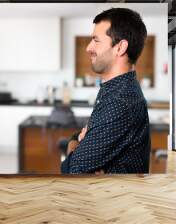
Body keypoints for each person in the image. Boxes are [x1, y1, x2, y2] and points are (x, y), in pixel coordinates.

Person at [61, 8, 151, 174]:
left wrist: (74, 143)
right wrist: (79, 141)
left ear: (120, 47)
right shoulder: (113, 88)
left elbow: (71, 170)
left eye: (96, 40)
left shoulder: (120, 102)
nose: (88, 48)